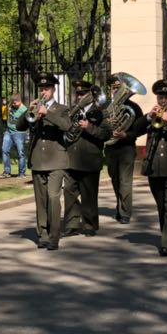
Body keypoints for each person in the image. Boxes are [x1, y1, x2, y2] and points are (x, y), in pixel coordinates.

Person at [126, 79, 167, 256]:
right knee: (162, 206)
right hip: (154, 166)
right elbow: (135, 129)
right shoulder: (152, 115)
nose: (163, 101)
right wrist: (148, 116)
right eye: (160, 97)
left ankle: (165, 243)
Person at [15, 72, 72, 250]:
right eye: (41, 88)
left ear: (54, 90)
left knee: (53, 198)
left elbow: (67, 126)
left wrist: (46, 114)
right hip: (38, 160)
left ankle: (54, 236)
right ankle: (43, 234)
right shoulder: (35, 107)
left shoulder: (62, 109)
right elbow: (19, 127)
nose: (44, 91)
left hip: (56, 160)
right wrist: (27, 112)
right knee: (41, 200)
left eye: (47, 88)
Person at [62, 79, 112, 237]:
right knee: (69, 193)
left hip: (89, 160)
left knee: (89, 195)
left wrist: (89, 127)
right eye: (77, 94)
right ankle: (72, 224)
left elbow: (106, 134)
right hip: (71, 158)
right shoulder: (72, 111)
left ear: (90, 95)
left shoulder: (101, 112)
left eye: (83, 94)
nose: (79, 97)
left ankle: (90, 224)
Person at [104, 73, 144, 224]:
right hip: (111, 147)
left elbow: (141, 128)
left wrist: (126, 134)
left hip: (126, 147)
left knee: (125, 180)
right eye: (113, 88)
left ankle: (125, 212)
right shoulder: (107, 107)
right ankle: (119, 208)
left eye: (118, 88)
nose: (115, 91)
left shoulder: (133, 107)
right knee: (115, 179)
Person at [1, 93, 29, 178]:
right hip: (8, 131)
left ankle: (21, 173)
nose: (13, 104)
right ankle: (7, 171)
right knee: (4, 150)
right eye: (12, 103)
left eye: (14, 103)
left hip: (19, 133)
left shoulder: (24, 110)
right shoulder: (10, 106)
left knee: (21, 153)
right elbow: (5, 113)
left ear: (19, 101)